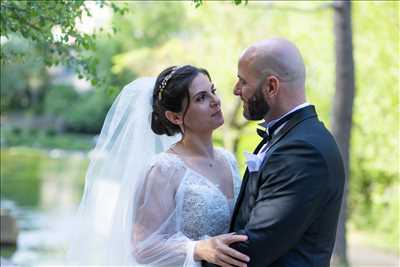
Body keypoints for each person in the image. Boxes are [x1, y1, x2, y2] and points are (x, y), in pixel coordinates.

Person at [66, 65, 250, 267]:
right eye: (201, 98)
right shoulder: (164, 169)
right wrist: (197, 249)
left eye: (212, 91)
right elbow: (143, 248)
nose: (215, 101)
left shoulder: (228, 159)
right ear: (175, 117)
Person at [204, 38, 345, 267]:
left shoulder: (302, 152)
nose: (235, 89)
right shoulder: (290, 137)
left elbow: (253, 249)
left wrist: (188, 254)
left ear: (271, 86)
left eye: (243, 81)